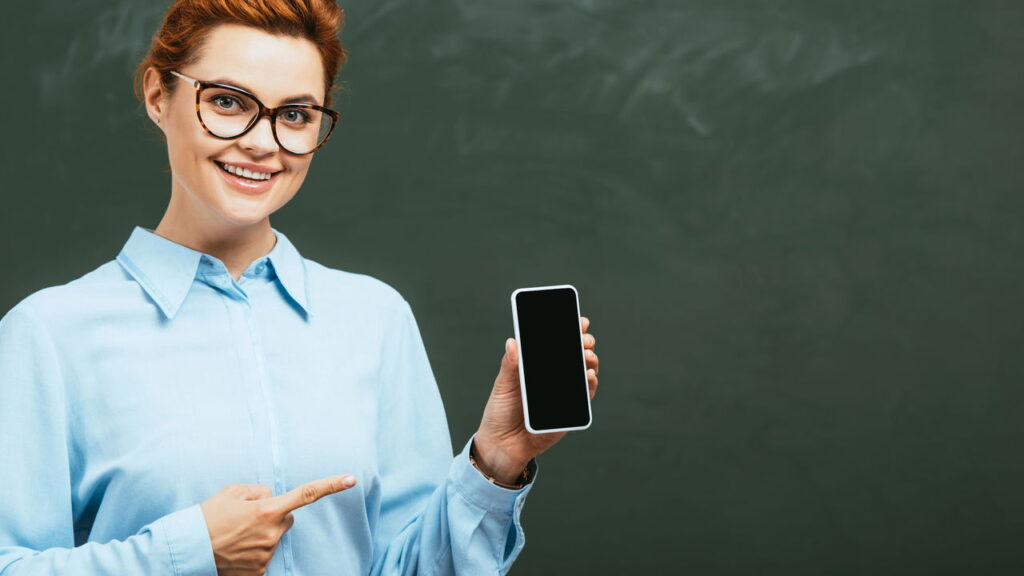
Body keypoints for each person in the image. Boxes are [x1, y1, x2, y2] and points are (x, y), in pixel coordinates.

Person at [0, 0, 601, 575]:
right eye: (229, 102)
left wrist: (495, 463)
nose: (263, 143)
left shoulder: (375, 318)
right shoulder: (48, 335)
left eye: (294, 115)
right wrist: (189, 555)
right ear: (160, 95)